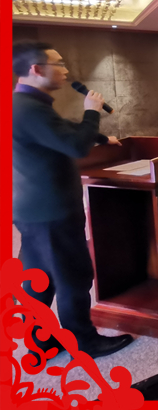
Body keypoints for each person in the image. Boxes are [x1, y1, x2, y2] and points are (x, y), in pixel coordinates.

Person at [12, 41, 134, 359]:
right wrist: (92, 112)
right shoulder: (29, 108)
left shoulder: (22, 104)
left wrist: (99, 136)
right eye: (59, 64)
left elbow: (58, 130)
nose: (65, 70)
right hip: (51, 211)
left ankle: (39, 341)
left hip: (31, 209)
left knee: (38, 279)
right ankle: (84, 341)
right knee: (72, 276)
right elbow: (75, 146)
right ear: (36, 69)